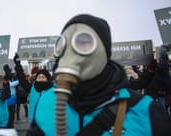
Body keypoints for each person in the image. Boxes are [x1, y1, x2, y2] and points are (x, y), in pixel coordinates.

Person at [26, 14, 171, 135]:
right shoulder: (47, 102)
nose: (70, 50)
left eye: (83, 41)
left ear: (104, 50)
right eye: (64, 43)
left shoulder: (145, 112)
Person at [13, 53, 54, 123]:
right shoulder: (32, 88)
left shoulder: (53, 89)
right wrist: (18, 65)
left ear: (48, 79)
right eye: (39, 77)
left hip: (50, 121)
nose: (41, 79)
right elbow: (22, 80)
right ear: (36, 79)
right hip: (34, 121)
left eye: (43, 77)